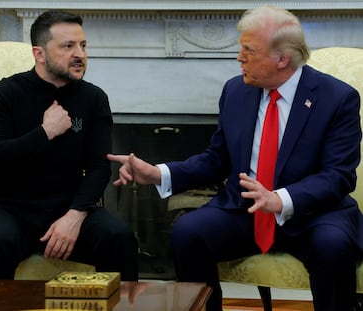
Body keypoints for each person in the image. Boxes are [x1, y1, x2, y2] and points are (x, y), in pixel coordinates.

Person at [107, 5, 363, 311]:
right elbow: (217, 159)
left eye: (249, 50)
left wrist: (280, 199)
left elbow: (338, 175)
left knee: (333, 247)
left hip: (312, 214)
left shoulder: (337, 98)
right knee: (188, 234)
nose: (239, 58)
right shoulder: (236, 91)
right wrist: (159, 173)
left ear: (282, 59)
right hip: (247, 211)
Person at [0, 10, 138, 285]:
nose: (80, 54)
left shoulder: (93, 99)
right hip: (9, 209)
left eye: (83, 45)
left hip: (68, 209)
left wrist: (74, 216)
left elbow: (99, 167)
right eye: (68, 46)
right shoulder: (2, 94)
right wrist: (44, 133)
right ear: (39, 53)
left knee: (118, 236)